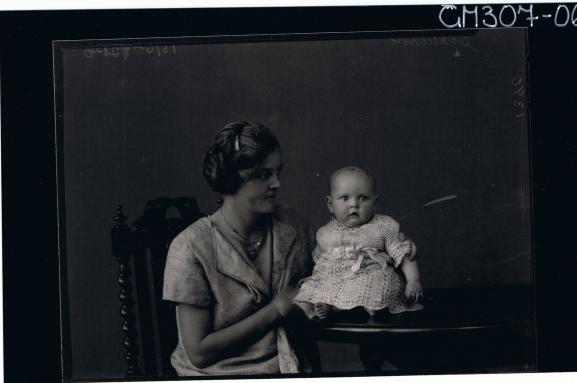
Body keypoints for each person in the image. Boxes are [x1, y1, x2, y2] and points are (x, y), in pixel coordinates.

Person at [162, 121, 315, 375]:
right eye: (264, 175)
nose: (277, 183)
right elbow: (199, 353)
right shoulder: (190, 246)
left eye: (278, 172)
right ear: (232, 179)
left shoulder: (293, 225)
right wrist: (277, 309)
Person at [294, 166, 423, 319]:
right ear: (330, 204)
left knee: (381, 284)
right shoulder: (324, 233)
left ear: (375, 202)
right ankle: (326, 304)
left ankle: (346, 306)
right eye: (344, 198)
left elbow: (403, 252)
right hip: (335, 278)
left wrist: (413, 280)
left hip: (368, 274)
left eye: (363, 198)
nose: (354, 204)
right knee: (310, 287)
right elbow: (319, 263)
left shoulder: (383, 226)